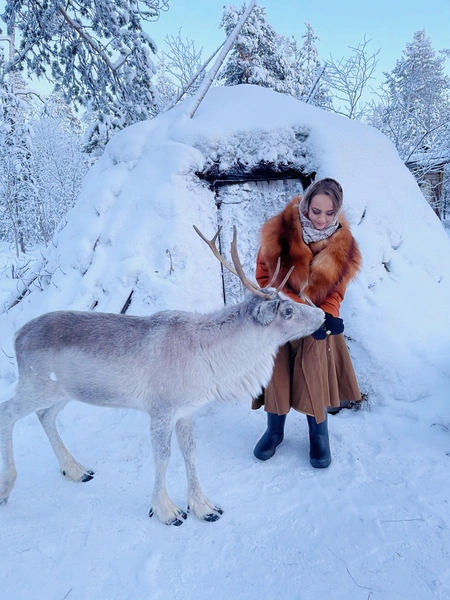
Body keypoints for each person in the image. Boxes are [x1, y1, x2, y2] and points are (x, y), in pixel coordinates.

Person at [252, 177, 362, 468]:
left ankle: (318, 434)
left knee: (315, 372)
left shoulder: (344, 245)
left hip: (317, 324)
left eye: (329, 213)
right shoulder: (279, 232)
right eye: (316, 211)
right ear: (307, 204)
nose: (323, 219)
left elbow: (336, 290)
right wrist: (300, 310)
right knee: (276, 373)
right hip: (282, 317)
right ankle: (274, 431)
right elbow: (265, 279)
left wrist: (327, 315)